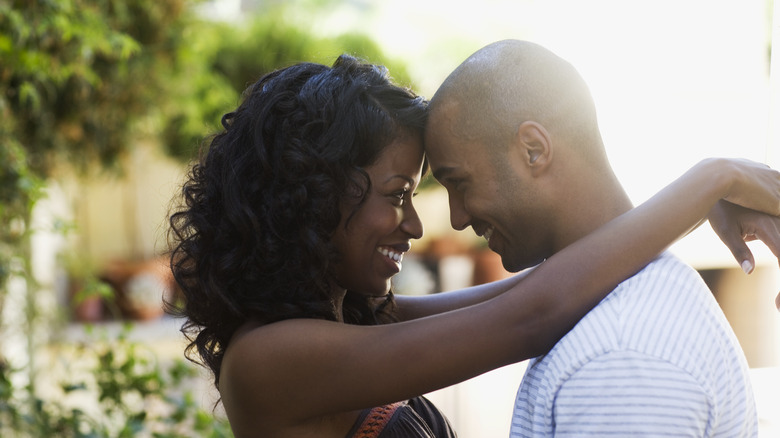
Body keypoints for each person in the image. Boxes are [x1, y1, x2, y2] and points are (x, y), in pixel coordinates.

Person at [168, 54, 780, 438]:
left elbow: (542, 287)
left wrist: (693, 211)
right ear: (314, 195)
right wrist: (712, 178)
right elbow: (533, 313)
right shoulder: (271, 361)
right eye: (398, 193)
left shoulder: (351, 317)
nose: (418, 225)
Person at [424, 39, 777, 437]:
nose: (456, 218)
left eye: (459, 182)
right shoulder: (615, 314)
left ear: (534, 150)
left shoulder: (621, 357)